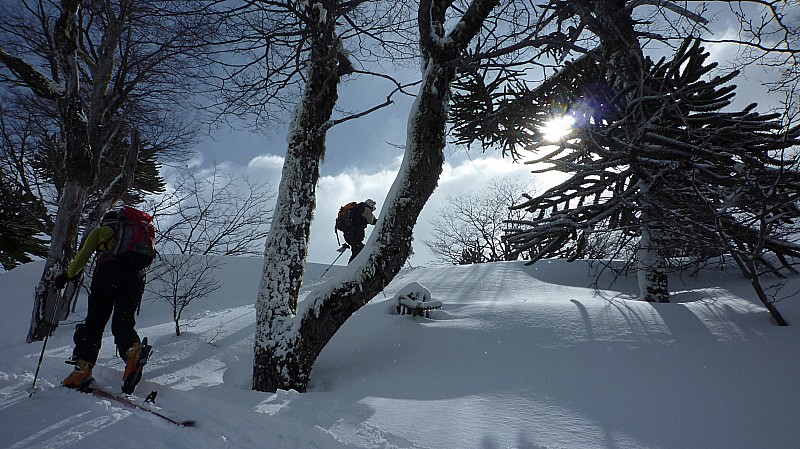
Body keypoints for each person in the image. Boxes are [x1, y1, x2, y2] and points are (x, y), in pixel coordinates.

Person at [53, 209, 149, 392]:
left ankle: (82, 371)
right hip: (135, 279)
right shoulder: (136, 236)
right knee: (123, 322)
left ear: (106, 222)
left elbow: (83, 256)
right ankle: (132, 351)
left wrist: (66, 277)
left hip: (107, 275)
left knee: (95, 323)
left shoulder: (101, 232)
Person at [341, 198, 378, 263]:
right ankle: (351, 268)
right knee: (357, 251)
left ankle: (353, 266)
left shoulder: (357, 208)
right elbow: (372, 221)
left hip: (347, 233)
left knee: (359, 249)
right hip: (355, 233)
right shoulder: (366, 209)